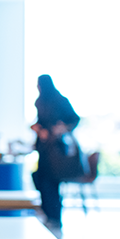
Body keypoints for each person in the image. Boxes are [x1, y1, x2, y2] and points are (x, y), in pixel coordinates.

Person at [30, 74, 82, 228]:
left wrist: (62, 128)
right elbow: (39, 122)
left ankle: (55, 218)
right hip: (43, 148)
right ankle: (47, 214)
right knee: (39, 178)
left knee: (51, 183)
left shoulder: (61, 100)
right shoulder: (39, 102)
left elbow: (74, 119)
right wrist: (38, 129)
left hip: (57, 151)